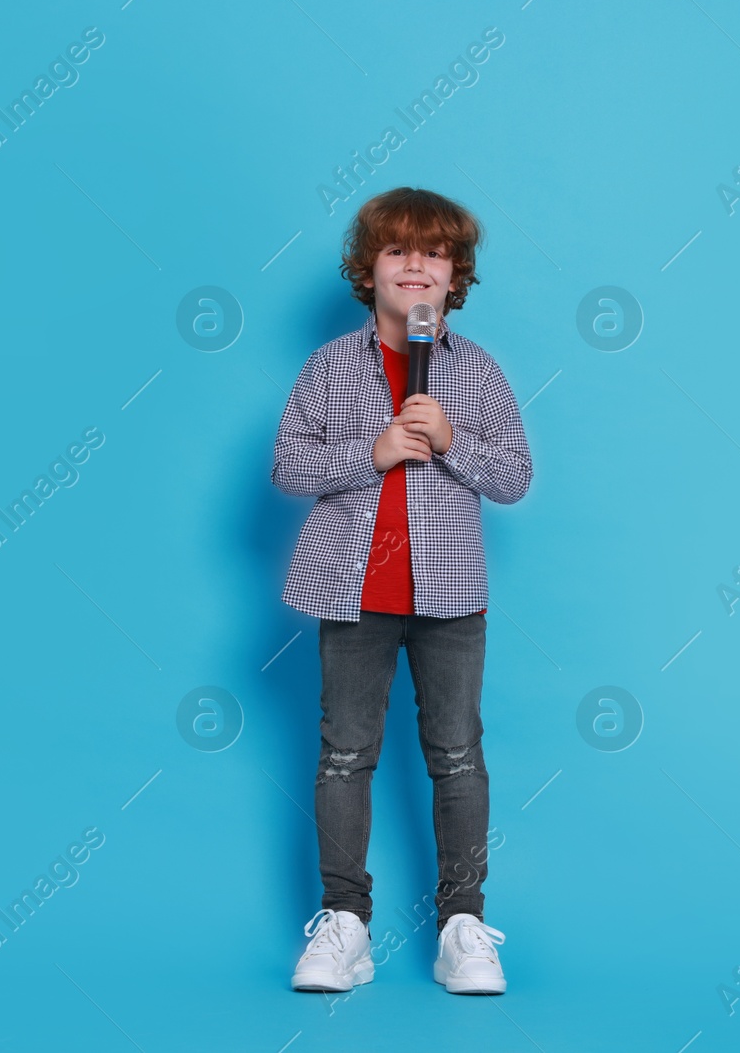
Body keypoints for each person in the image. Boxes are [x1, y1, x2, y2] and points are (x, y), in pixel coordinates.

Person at [270, 186, 533, 995]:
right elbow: (288, 467)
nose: (415, 265)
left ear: (455, 276)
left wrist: (452, 442)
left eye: (433, 252)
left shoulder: (477, 371)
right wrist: (373, 450)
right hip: (353, 595)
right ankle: (344, 923)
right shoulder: (329, 367)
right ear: (369, 270)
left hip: (450, 600)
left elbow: (517, 476)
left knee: (457, 755)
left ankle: (463, 925)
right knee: (345, 753)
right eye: (396, 250)